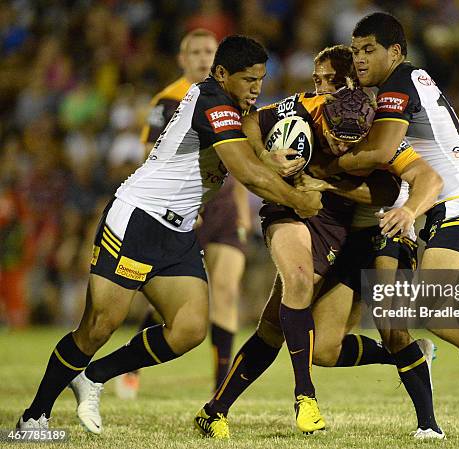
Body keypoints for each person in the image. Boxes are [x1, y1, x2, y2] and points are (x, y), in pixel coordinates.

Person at [16, 35, 322, 433]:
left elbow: (256, 155)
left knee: (190, 328)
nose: (256, 88)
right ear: (222, 74)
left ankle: (93, 376)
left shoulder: (234, 106)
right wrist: (299, 201)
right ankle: (33, 418)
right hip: (138, 219)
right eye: (248, 79)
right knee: (99, 326)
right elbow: (247, 174)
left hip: (177, 229)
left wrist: (272, 158)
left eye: (261, 79)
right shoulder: (211, 100)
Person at [309, 12, 459, 437]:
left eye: (369, 50)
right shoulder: (410, 81)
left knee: (435, 311)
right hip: (454, 208)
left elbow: (383, 149)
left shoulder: (398, 84)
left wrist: (329, 167)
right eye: (356, 50)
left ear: (395, 52)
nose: (360, 59)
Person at [194, 45, 444, 439]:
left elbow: (387, 188)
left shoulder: (378, 124)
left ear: (354, 84)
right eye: (318, 80)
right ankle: (305, 397)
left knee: (316, 343)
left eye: (332, 80)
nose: (322, 88)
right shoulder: (304, 109)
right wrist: (266, 157)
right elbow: (253, 123)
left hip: (359, 230)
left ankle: (214, 411)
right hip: (297, 211)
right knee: (297, 284)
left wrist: (334, 182)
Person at [116, 28, 249, 398]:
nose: (204, 58)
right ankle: (132, 365)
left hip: (220, 211)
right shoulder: (169, 101)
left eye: (210, 51)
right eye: (196, 52)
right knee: (169, 305)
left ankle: (220, 386)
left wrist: (241, 210)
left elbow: (235, 160)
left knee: (225, 289)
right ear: (182, 59)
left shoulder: (232, 96)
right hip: (182, 211)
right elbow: (151, 159)